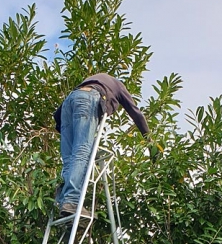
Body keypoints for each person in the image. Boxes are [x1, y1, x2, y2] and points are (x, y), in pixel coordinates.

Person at [53, 72, 153, 217]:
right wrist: (149, 139)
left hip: (68, 103)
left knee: (70, 158)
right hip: (88, 99)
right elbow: (135, 112)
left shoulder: (92, 79)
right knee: (82, 151)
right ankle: (72, 200)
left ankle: (65, 201)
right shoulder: (117, 85)